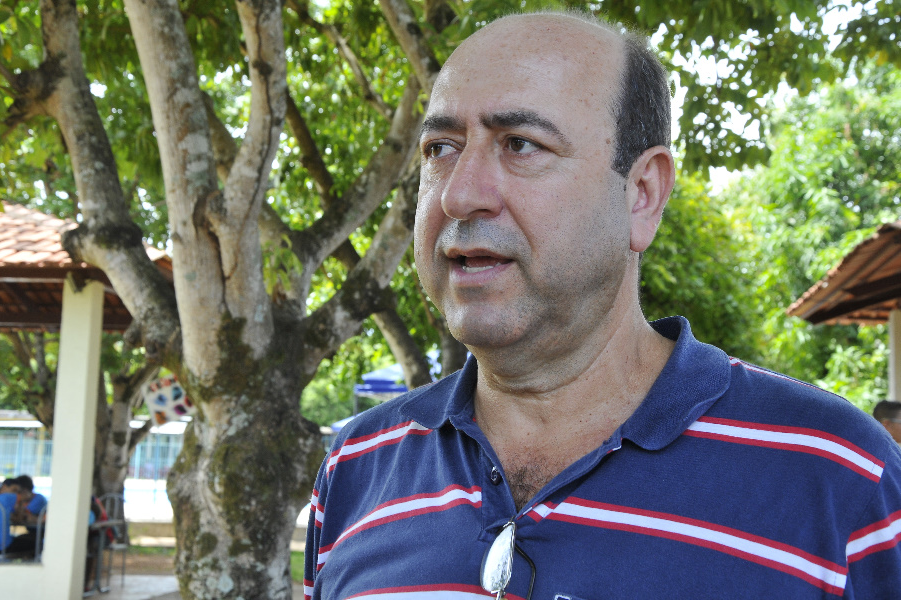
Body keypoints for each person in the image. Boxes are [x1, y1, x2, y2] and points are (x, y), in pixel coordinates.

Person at [304, 11, 901, 599]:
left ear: (642, 195)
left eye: (520, 144)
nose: (459, 195)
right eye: (441, 148)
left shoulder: (841, 479)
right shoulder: (357, 466)